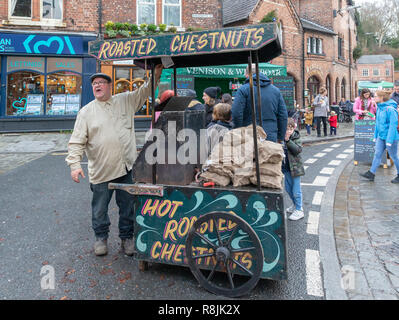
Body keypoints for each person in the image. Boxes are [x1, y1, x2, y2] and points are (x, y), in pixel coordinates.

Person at [65, 65, 164, 256]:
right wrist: (75, 165)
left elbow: (145, 91)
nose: (97, 85)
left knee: (127, 206)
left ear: (110, 86)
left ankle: (127, 238)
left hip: (126, 167)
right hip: (102, 170)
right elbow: (76, 141)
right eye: (94, 83)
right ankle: (101, 238)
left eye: (101, 82)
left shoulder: (125, 100)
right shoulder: (86, 112)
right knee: (100, 209)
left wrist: (156, 75)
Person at [232, 64, 288, 143]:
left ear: (247, 75)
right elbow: (283, 116)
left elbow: (236, 113)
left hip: (249, 134)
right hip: (270, 135)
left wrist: (238, 132)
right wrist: (281, 137)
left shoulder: (243, 90)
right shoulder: (276, 91)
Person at [360, 90, 399, 184]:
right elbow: (377, 123)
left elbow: (393, 125)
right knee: (377, 154)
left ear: (381, 98)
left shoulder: (390, 109)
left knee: (394, 157)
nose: (374, 98)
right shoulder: (379, 108)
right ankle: (371, 173)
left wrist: (389, 140)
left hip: (391, 138)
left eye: (376, 96)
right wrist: (375, 135)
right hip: (381, 137)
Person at [282, 118, 305, 221]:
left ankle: (299, 209)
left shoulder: (295, 137)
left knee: (296, 190)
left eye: (290, 129)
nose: (288, 132)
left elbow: (298, 150)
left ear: (293, 129)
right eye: (286, 129)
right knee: (288, 188)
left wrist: (288, 141)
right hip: (286, 168)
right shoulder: (281, 138)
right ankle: (295, 205)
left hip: (296, 169)